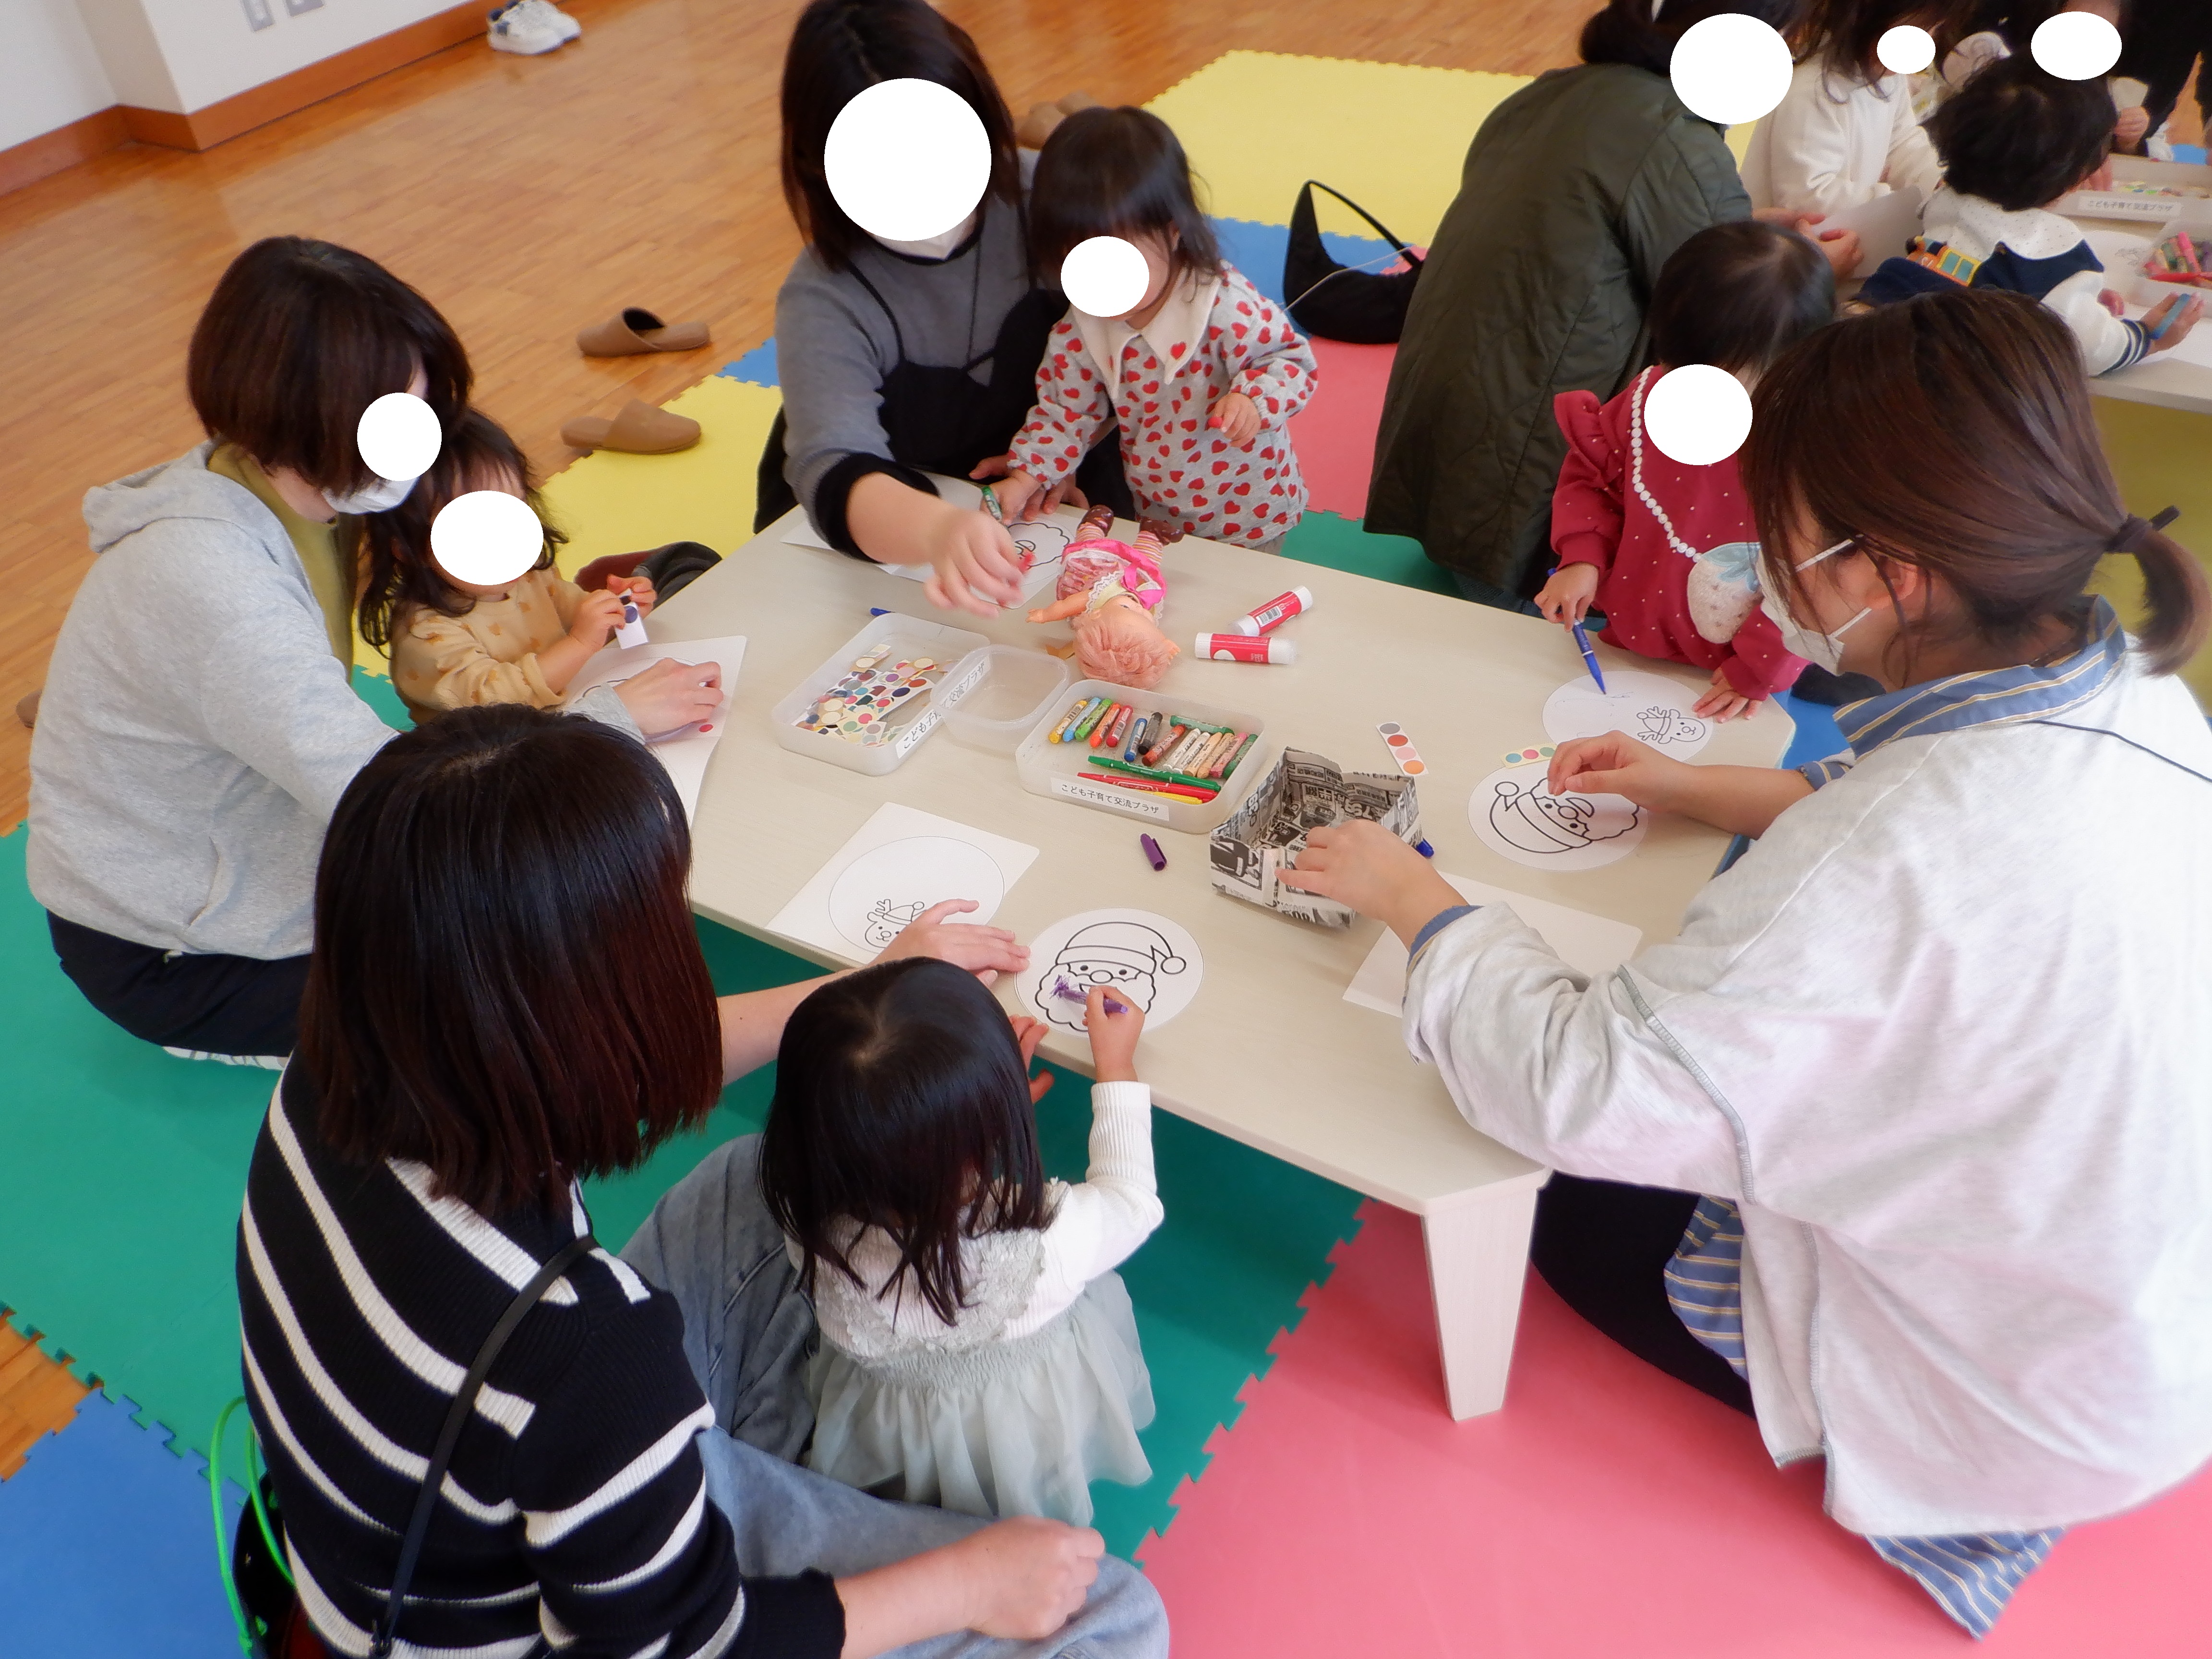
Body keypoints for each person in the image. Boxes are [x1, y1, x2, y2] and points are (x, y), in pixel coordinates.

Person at [1281, 288, 2212, 1637]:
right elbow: (1922, 810)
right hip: (2151, 1302)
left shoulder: (1884, 858)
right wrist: (1687, 784)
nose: (1758, 565)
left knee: (1554, 1193)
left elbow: (1582, 1089)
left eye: (1778, 538)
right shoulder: (2129, 685)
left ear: (1890, 573)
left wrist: (1415, 899)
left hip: (2027, 1396)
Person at [241, 702, 1168, 1659]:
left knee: (760, 1176)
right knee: (1115, 1615)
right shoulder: (581, 1350)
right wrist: (971, 1582)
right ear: (577, 1012)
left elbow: (631, 1073)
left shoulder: (345, 1069)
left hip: (450, 1519)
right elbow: (696, 1645)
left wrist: (876, 999)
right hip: (578, 1622)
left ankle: (743, 1465)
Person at [25, 238, 720, 1068]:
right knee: (528, 971)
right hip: (180, 951)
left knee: (538, 891)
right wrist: (608, 722)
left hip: (272, 819)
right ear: (302, 415)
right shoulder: (218, 585)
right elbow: (398, 809)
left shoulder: (293, 482)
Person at [1366, 0, 1861, 614]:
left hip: (1440, 451)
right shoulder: (1675, 135)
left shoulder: (1552, 92)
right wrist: (1808, 269)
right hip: (1520, 504)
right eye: (1785, 38)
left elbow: (1608, 228)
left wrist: (1755, 233)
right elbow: (1727, 307)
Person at [764, 0, 1132, 619]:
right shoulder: (827, 294)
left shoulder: (1058, 202)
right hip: (903, 545)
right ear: (819, 165)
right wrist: (939, 530)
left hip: (1066, 506)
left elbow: (1155, 337)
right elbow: (834, 466)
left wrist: (1068, 445)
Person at [760, 961, 1159, 1527]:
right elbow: (1131, 1201)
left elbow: (890, 1141)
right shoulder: (1044, 1241)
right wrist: (1117, 1069)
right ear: (984, 1133)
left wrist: (960, 1113)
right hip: (1026, 1414)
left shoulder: (806, 1215)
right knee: (1023, 1470)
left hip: (898, 1426)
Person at [990, 107, 1317, 553]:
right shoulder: (1081, 329)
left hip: (1248, 514)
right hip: (1158, 514)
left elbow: (1291, 361)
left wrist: (1253, 399)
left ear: (1173, 231)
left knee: (1238, 593)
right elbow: (1064, 412)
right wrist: (1027, 476)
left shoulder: (1222, 307)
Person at [1535, 221, 1827, 717]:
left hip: (1734, 676)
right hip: (1628, 646)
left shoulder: (1808, 456)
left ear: (1792, 366)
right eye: (1677, 367)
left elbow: (1816, 579)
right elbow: (1595, 475)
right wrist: (1582, 558)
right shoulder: (1653, 396)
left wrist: (1758, 669)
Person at [1859, 54, 2203, 371]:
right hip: (1952, 386)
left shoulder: (1942, 201)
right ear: (2077, 177)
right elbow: (2092, 348)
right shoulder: (2053, 253)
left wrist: (2076, 300)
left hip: (1877, 350)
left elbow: (1981, 269)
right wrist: (2147, 336)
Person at [361, 408, 656, 721]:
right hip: (494, 742)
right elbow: (497, 704)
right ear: (411, 550)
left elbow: (575, 612)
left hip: (563, 710)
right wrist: (581, 642)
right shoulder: (427, 635)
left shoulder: (530, 576)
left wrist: (617, 609)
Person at [1742, 0, 1962, 216]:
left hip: (1846, 227)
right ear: (1865, 19)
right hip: (1784, 234)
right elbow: (1807, 197)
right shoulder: (1813, 89)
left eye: (1933, 29)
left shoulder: (1888, 79)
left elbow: (1902, 142)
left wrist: (1934, 182)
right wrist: (1900, 202)